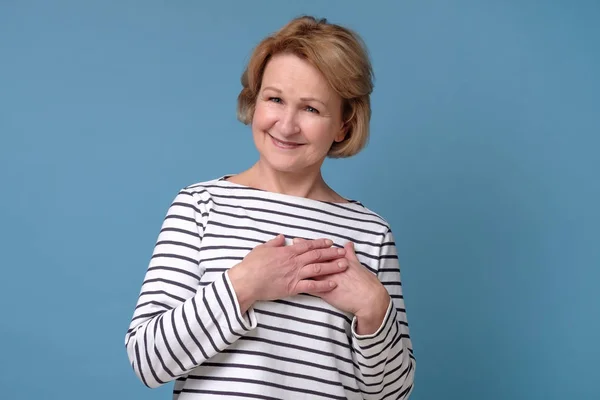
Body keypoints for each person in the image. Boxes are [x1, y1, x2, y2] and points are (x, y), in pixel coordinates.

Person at [125, 15, 415, 400]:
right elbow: (147, 360)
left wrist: (375, 310)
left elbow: (392, 395)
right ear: (255, 101)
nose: (287, 124)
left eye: (311, 108)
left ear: (343, 125)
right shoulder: (200, 206)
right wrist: (244, 285)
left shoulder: (370, 232)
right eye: (275, 99)